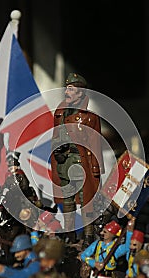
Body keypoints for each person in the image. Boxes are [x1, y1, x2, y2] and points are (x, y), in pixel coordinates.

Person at [51, 73, 104, 246]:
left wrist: (96, 168)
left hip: (81, 161)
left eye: (71, 89)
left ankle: (88, 234)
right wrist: (56, 151)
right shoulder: (59, 112)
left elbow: (95, 143)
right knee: (67, 199)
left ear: (80, 92)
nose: (67, 91)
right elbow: (55, 135)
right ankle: (70, 233)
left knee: (86, 200)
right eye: (67, 88)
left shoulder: (89, 116)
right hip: (64, 162)